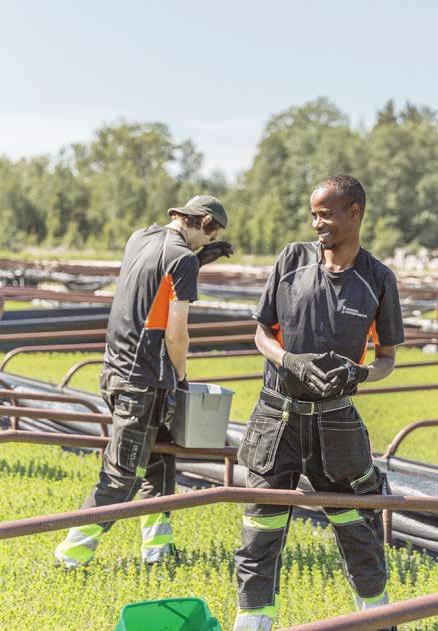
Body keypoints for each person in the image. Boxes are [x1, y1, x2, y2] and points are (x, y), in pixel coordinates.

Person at [233, 175, 404, 631]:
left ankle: (376, 619)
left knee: (358, 529)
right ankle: (252, 623)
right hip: (277, 419)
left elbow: (387, 358)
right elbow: (261, 333)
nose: (317, 223)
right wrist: (290, 360)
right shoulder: (291, 260)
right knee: (261, 529)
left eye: (326, 214)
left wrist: (360, 373)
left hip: (336, 427)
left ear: (355, 212)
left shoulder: (378, 280)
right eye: (313, 214)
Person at [55, 195, 233, 568]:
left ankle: (158, 552)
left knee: (159, 464)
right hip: (144, 382)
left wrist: (199, 259)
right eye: (211, 231)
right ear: (204, 223)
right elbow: (176, 335)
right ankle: (70, 555)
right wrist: (183, 378)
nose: (209, 238)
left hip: (116, 372)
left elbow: (153, 279)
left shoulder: (140, 238)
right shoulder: (181, 259)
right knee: (122, 476)